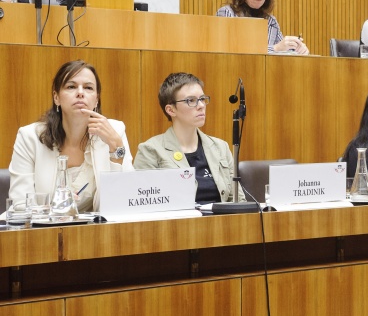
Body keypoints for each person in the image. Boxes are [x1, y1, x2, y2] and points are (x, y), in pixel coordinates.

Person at [8, 60, 133, 212]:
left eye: (88, 88)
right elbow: (20, 204)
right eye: (71, 87)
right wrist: (55, 209)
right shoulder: (30, 137)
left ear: (96, 99)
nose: (80, 93)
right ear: (56, 98)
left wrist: (116, 149)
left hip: (96, 227)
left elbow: (127, 200)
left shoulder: (115, 131)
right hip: (43, 226)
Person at [134, 72, 244, 203]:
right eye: (191, 100)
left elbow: (238, 201)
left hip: (220, 217)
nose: (201, 105)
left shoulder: (220, 147)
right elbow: (146, 205)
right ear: (171, 110)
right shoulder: (150, 150)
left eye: (202, 99)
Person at [216, 0, 308, 55]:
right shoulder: (227, 13)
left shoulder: (271, 21)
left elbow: (282, 53)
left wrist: (296, 50)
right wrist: (275, 48)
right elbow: (229, 52)